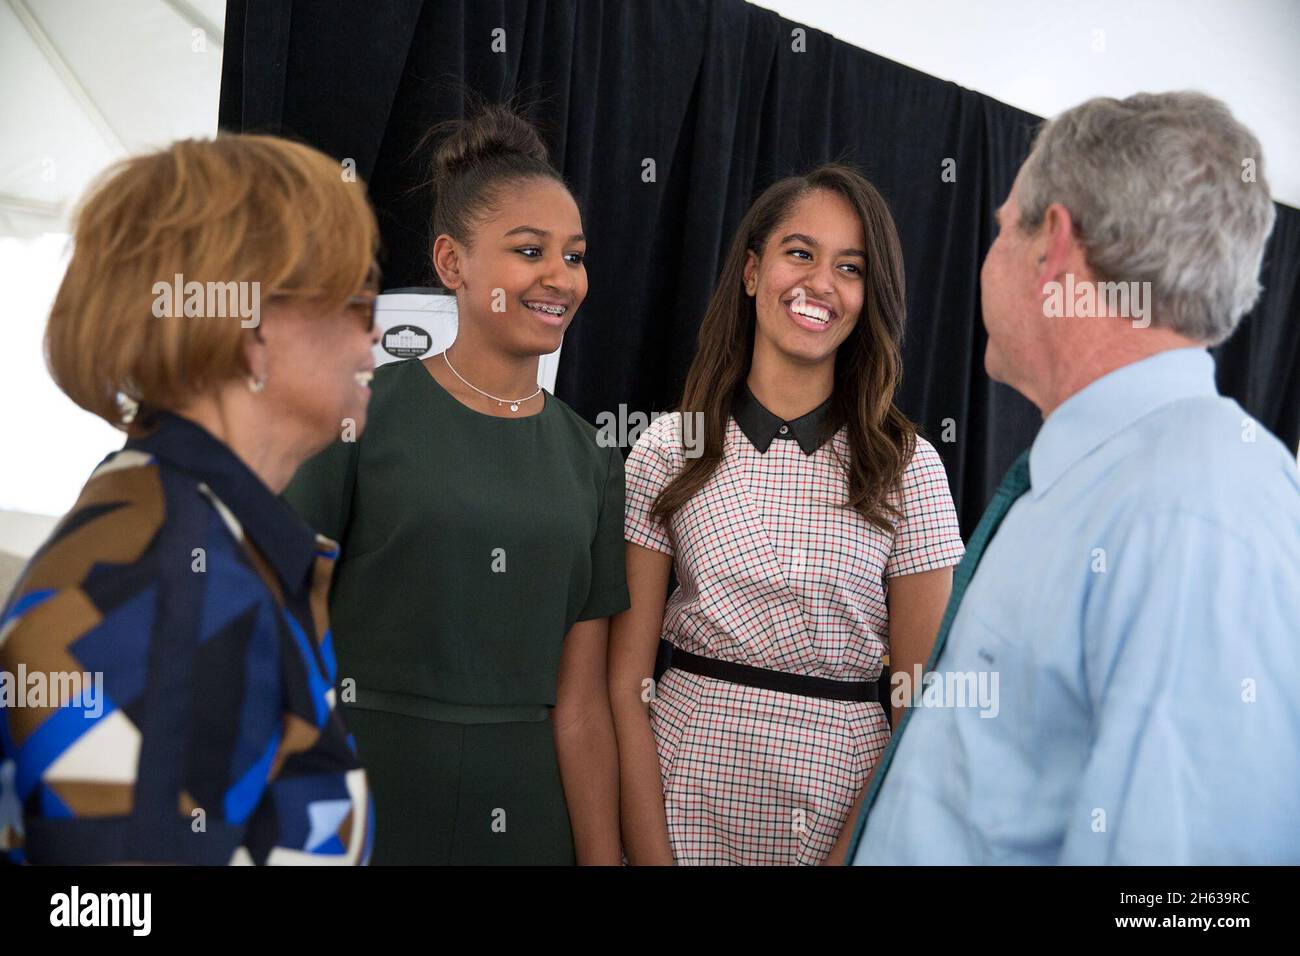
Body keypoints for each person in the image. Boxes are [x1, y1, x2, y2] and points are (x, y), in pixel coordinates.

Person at [850, 91, 1300, 865]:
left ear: (1051, 244)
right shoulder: (1092, 476)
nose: (987, 257)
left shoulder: (1196, 513)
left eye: (1000, 230)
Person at [0, 135, 381, 864]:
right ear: (251, 329)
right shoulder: (171, 581)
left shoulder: (191, 538)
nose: (375, 336)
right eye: (357, 297)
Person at [284, 104, 628, 865]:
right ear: (452, 264)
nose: (559, 277)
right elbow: (281, 631)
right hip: (358, 800)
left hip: (529, 819)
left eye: (574, 255)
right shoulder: (361, 411)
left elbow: (581, 707)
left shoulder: (594, 458)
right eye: (529, 250)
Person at [611, 164, 965, 865]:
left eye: (851, 267)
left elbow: (918, 705)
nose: (820, 284)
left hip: (840, 813)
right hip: (682, 799)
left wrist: (849, 858)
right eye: (800, 253)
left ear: (870, 296)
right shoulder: (666, 446)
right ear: (751, 271)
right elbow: (625, 684)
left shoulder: (908, 465)